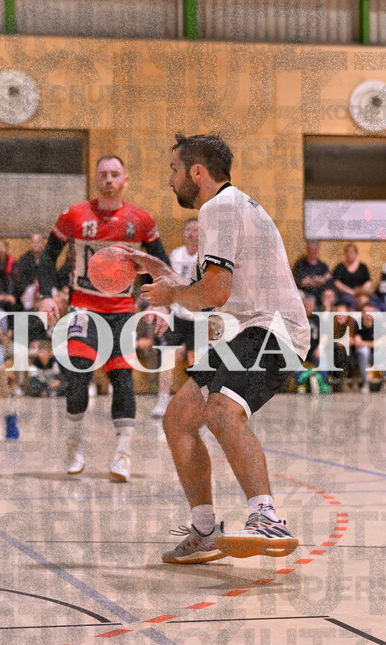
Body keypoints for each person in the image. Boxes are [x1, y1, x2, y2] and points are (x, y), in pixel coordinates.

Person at [124, 133, 309, 563]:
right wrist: (169, 275)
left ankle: (267, 518)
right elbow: (213, 286)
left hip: (275, 329)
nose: (170, 181)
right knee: (178, 417)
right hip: (251, 329)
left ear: (197, 172)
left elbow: (215, 292)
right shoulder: (233, 206)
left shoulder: (219, 208)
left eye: (174, 170)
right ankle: (205, 531)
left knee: (222, 411)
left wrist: (170, 294)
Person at [37, 155, 170, 482]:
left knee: (123, 380)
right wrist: (45, 295)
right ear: (96, 179)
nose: (109, 179)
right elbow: (46, 258)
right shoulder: (74, 215)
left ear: (125, 179)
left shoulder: (140, 220)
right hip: (83, 308)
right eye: (103, 174)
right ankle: (73, 445)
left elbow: (160, 265)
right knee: (78, 375)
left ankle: (122, 456)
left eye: (115, 174)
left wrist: (161, 303)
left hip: (122, 310)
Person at [153, 218, 199, 418]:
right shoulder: (176, 255)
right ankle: (162, 402)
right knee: (167, 356)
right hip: (178, 316)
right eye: (188, 229)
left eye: (196, 230)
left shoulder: (208, 257)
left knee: (195, 360)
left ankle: (196, 404)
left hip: (199, 318)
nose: (191, 233)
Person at [331, 242, 373, 306]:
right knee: (348, 300)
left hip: (361, 293)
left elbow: (368, 282)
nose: (349, 254)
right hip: (345, 294)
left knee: (372, 299)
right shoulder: (340, 267)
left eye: (351, 252)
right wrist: (351, 292)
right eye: (347, 252)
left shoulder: (363, 266)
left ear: (356, 254)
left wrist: (360, 292)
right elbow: (336, 283)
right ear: (344, 254)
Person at [16, 233, 46, 305]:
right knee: (29, 292)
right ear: (30, 244)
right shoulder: (24, 259)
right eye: (33, 242)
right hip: (29, 288)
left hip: (45, 288)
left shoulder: (47, 259)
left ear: (43, 244)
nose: (36, 245)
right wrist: (33, 283)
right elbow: (22, 279)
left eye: (38, 242)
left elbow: (51, 275)